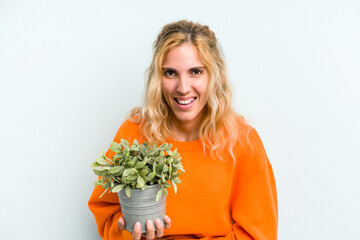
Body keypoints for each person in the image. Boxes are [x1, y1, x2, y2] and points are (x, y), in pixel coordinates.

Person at [88, 20, 278, 240]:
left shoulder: (243, 141)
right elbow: (106, 213)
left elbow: (259, 233)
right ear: (157, 78)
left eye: (195, 72)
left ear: (214, 76)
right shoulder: (133, 134)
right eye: (170, 73)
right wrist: (132, 235)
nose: (183, 87)